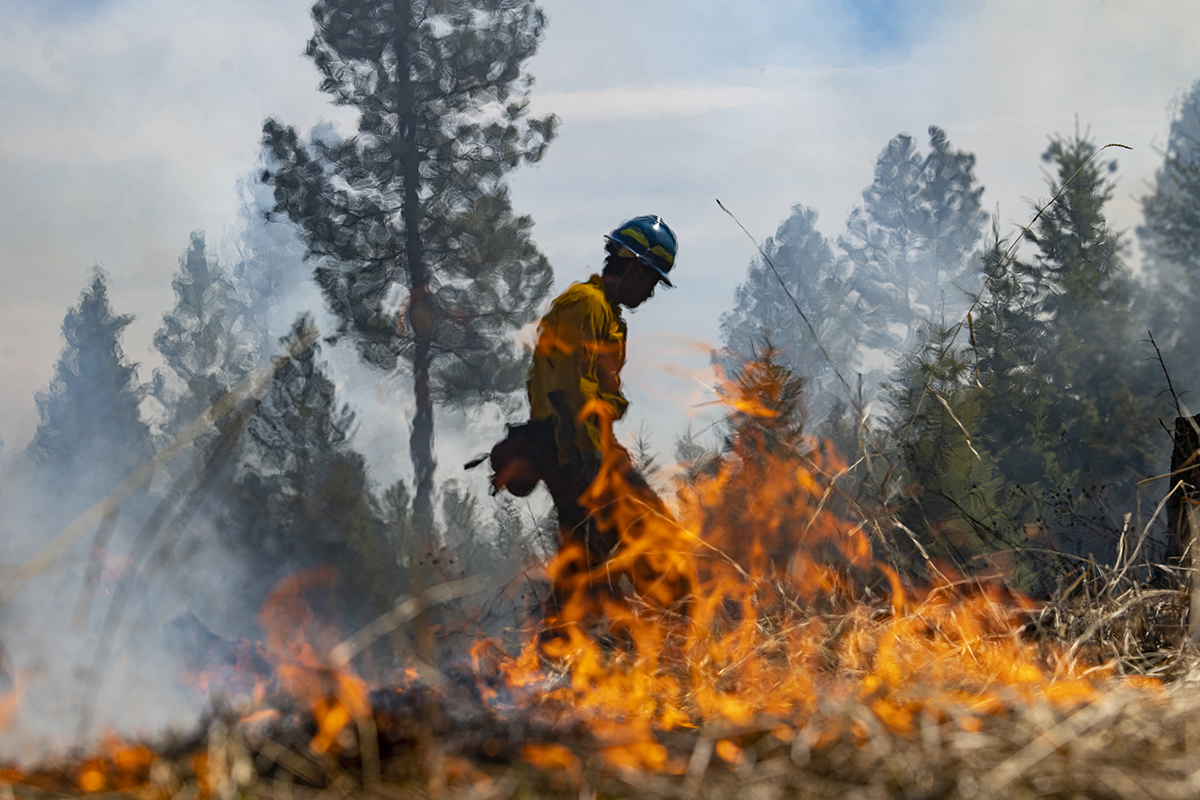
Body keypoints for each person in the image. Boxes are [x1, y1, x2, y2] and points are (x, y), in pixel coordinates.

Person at [487, 216, 688, 631]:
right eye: (650, 282)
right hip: (579, 458)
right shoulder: (586, 305)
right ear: (633, 268)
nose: (649, 294)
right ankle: (671, 632)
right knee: (641, 551)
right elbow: (568, 390)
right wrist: (590, 463)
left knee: (591, 570)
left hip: (589, 454)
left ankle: (655, 639)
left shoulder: (609, 316)